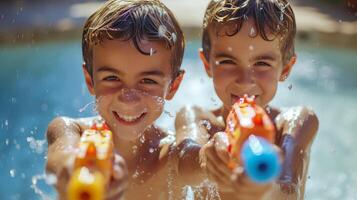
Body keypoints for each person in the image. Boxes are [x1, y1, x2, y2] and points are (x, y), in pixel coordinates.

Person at [45, 0, 194, 199]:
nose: (128, 98)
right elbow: (61, 157)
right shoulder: (72, 131)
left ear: (173, 86)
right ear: (90, 80)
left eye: (147, 80)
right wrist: (73, 166)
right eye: (112, 78)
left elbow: (202, 162)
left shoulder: (174, 156)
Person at [175, 0, 319, 199]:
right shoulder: (197, 118)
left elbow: (289, 186)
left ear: (285, 69)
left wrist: (266, 188)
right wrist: (205, 160)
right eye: (227, 61)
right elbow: (182, 165)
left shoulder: (296, 121)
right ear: (208, 64)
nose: (244, 80)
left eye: (261, 63)